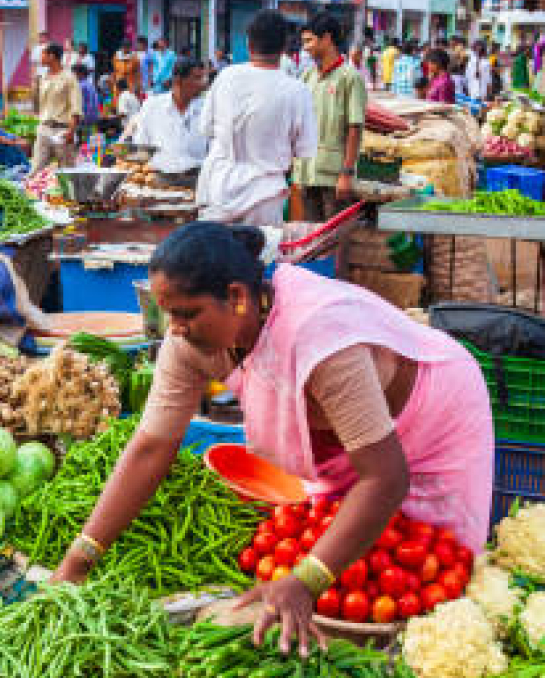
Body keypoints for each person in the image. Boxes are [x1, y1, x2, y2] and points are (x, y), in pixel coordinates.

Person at [50, 221, 494, 653]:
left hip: (432, 417)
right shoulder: (189, 344)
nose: (175, 329)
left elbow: (385, 478)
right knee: (357, 564)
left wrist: (306, 579)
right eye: (168, 314)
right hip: (348, 442)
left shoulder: (318, 334)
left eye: (186, 314)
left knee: (430, 576)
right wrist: (80, 558)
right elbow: (151, 448)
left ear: (238, 298)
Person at [197, 10, 316, 226]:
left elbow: (206, 128)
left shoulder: (226, 77)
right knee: (259, 258)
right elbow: (304, 150)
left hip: (219, 191)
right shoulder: (297, 90)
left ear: (249, 45)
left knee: (214, 258)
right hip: (265, 198)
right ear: (284, 48)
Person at [292, 12, 366, 222]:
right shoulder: (307, 76)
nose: (305, 47)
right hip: (307, 170)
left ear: (326, 39)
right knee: (312, 232)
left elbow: (355, 126)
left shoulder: (350, 78)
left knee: (336, 234)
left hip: (334, 173)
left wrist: (347, 172)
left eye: (309, 41)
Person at [131, 58, 209, 174]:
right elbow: (141, 146)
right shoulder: (152, 106)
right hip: (158, 180)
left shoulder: (206, 109)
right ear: (178, 80)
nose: (203, 84)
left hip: (196, 180)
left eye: (203, 78)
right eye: (197, 78)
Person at [33, 43, 82, 171]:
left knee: (67, 172)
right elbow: (39, 104)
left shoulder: (69, 78)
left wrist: (71, 132)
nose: (40, 57)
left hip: (63, 130)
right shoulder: (43, 77)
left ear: (52, 56)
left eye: (43, 54)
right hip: (44, 128)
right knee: (36, 169)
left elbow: (76, 108)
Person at [75, 64, 101, 130]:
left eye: (74, 73)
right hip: (94, 117)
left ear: (80, 74)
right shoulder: (91, 85)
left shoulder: (80, 86)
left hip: (84, 118)